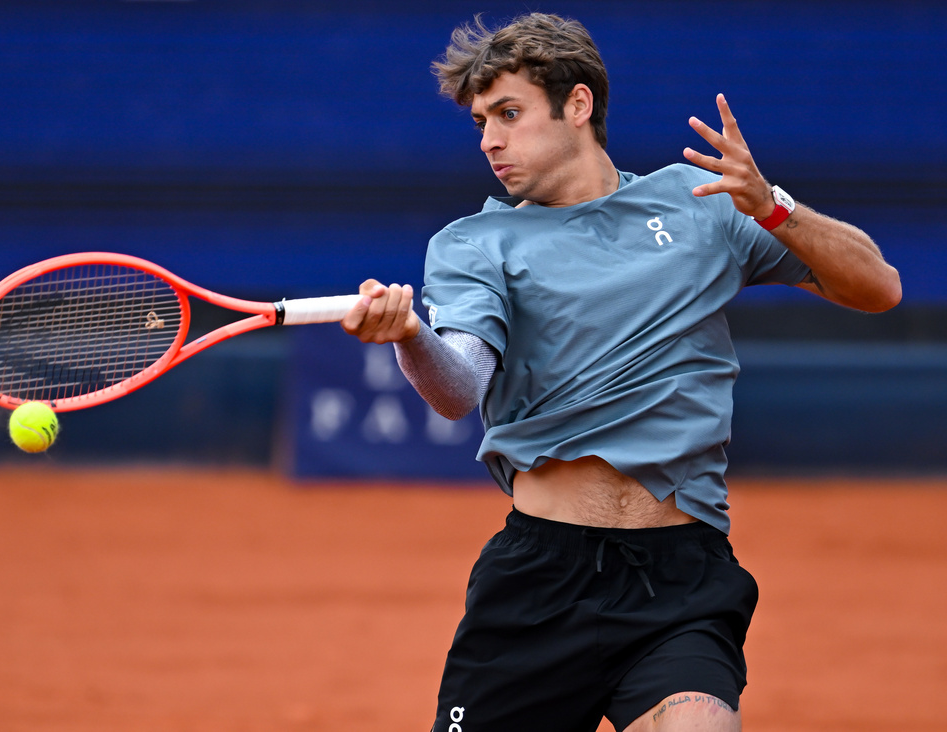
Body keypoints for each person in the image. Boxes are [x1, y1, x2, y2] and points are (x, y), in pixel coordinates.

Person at [341, 12, 901, 732]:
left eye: (508, 113)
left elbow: (877, 288)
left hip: (682, 579)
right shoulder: (476, 243)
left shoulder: (701, 204)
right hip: (538, 584)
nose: (489, 141)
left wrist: (772, 208)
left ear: (577, 104)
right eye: (481, 122)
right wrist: (412, 337)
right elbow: (459, 389)